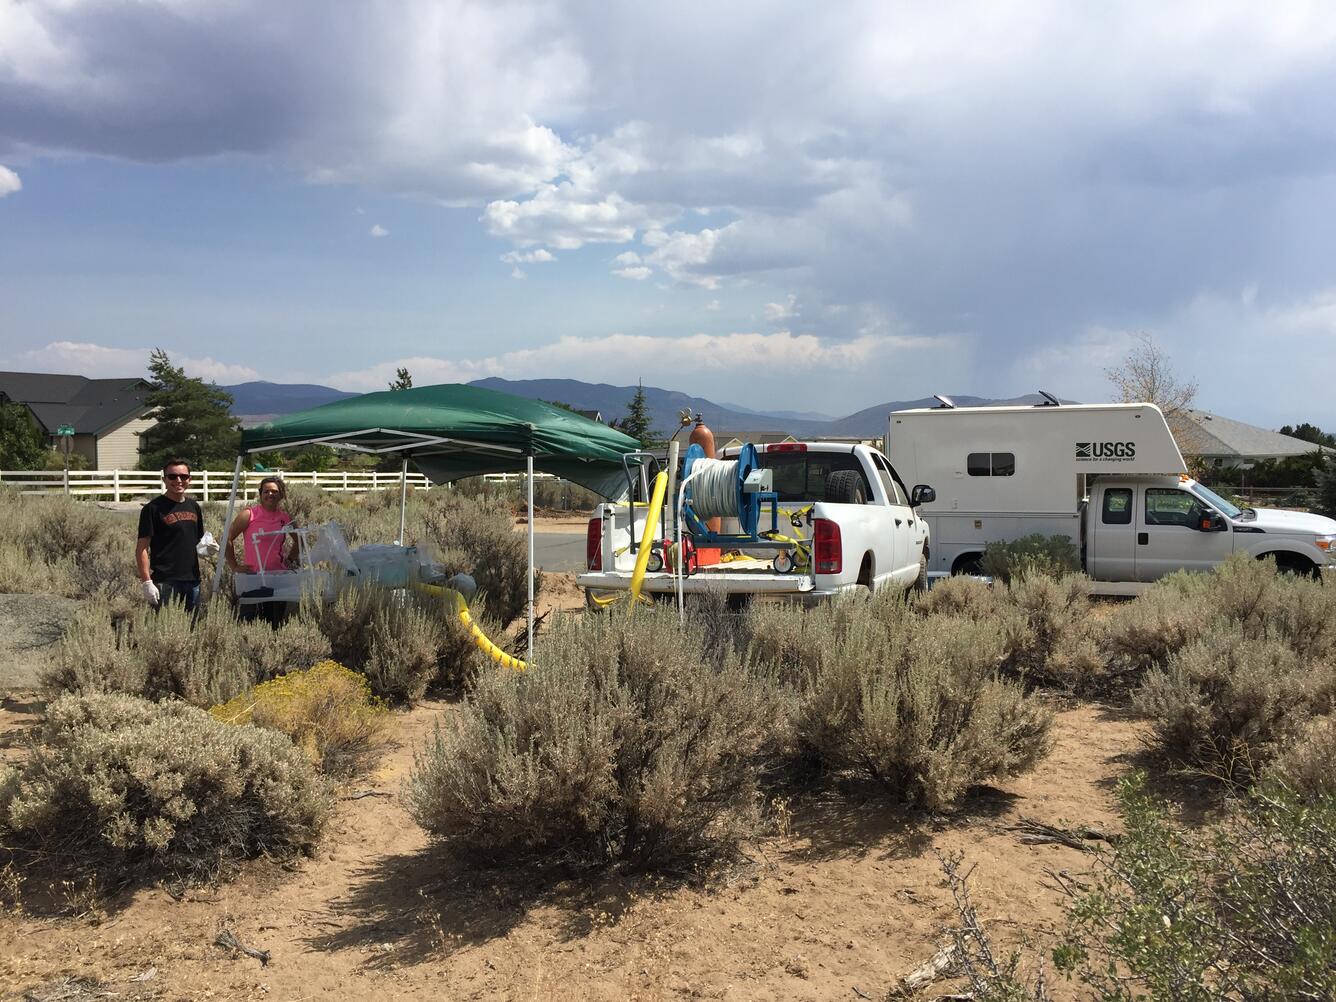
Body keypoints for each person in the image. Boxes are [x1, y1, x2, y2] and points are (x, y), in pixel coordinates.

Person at [136, 458, 205, 612]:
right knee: (166, 630)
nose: (178, 480)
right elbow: (142, 549)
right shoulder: (152, 509)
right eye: (172, 477)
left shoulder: (194, 507)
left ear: (190, 479)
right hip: (165, 581)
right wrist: (147, 582)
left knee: (192, 629)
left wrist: (208, 548)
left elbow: (198, 541)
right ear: (164, 480)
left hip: (193, 581)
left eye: (183, 476)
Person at [224, 476, 295, 625]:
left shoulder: (285, 517)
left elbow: (300, 539)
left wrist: (291, 560)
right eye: (266, 491)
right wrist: (234, 566)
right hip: (253, 578)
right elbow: (227, 539)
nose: (270, 494)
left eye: (275, 491)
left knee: (275, 623)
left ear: (281, 494)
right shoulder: (249, 514)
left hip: (278, 578)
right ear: (260, 494)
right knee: (249, 623)